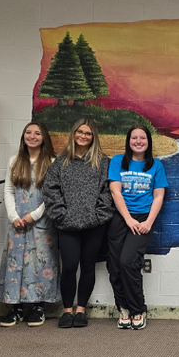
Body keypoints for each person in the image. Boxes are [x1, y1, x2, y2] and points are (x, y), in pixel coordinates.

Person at [43, 118, 113, 329]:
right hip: (67, 224)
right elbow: (50, 190)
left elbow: (109, 192)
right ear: (74, 134)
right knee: (70, 267)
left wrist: (98, 216)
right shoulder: (61, 162)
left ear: (94, 137)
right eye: (80, 132)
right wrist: (61, 215)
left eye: (88, 133)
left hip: (94, 225)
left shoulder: (103, 162)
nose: (83, 136)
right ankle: (67, 310)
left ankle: (81, 309)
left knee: (88, 266)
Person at [0, 122, 59, 328]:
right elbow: (8, 190)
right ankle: (15, 308)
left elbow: (52, 195)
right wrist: (13, 215)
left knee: (40, 263)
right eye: (28, 132)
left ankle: (38, 307)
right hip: (17, 222)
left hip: (41, 221)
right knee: (16, 262)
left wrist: (34, 215)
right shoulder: (15, 160)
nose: (32, 136)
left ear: (44, 137)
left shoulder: (52, 162)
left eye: (37, 133)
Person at [107, 126, 167, 330]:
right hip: (121, 217)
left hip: (143, 218)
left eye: (143, 138)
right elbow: (116, 192)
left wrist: (148, 222)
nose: (138, 141)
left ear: (148, 141)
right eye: (134, 137)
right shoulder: (118, 161)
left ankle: (138, 309)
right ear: (129, 140)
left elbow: (159, 196)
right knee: (114, 265)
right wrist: (128, 219)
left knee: (128, 262)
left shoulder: (156, 166)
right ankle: (123, 307)